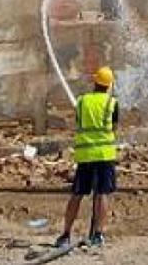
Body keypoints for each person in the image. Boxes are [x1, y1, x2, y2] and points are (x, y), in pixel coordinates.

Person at [56, 66, 119, 248]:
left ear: (95, 82)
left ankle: (65, 234)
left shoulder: (82, 102)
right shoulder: (111, 103)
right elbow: (113, 128)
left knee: (77, 195)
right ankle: (97, 235)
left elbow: (79, 123)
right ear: (109, 85)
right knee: (102, 194)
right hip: (104, 155)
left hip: (85, 155)